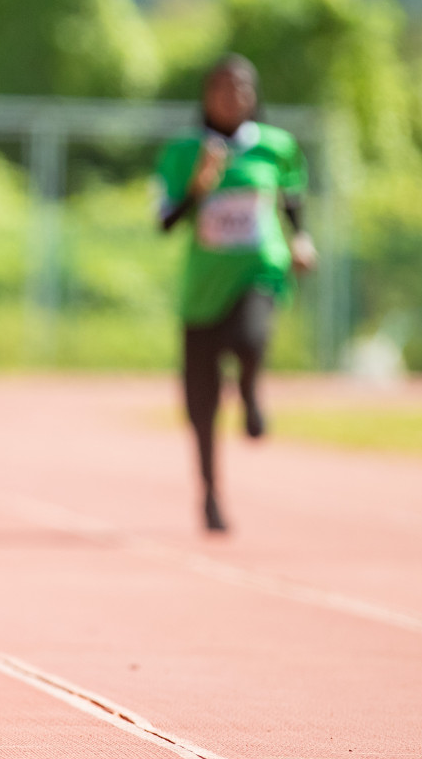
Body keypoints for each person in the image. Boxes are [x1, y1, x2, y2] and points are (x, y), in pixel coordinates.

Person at [155, 54, 315, 533]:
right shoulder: (183, 152)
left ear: (253, 96)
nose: (232, 97)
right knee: (200, 405)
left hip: (258, 268)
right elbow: (164, 222)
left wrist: (300, 239)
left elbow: (291, 197)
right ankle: (210, 495)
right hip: (202, 288)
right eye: (222, 88)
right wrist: (198, 187)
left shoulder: (277, 147)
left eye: (241, 88)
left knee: (250, 336)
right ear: (206, 95)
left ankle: (249, 390)